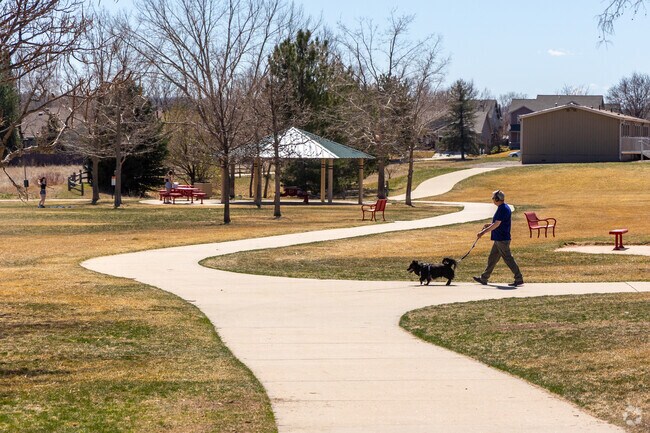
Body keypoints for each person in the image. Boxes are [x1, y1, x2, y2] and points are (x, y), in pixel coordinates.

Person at [473, 190, 524, 287]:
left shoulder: (502, 209)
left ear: (497, 199)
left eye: (493, 198)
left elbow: (497, 224)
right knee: (492, 258)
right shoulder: (503, 207)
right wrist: (489, 225)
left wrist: (483, 232)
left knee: (508, 259)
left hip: (502, 239)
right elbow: (498, 223)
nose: (492, 200)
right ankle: (484, 278)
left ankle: (519, 278)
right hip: (498, 238)